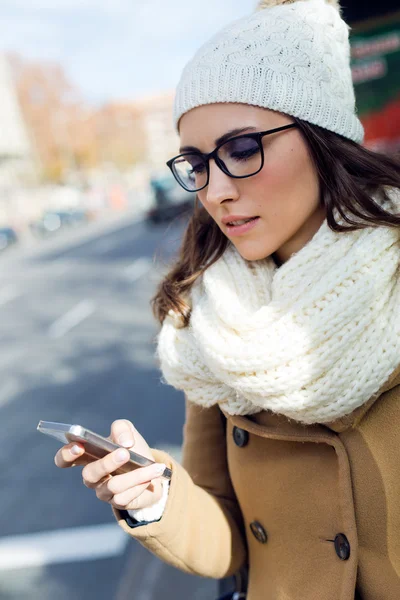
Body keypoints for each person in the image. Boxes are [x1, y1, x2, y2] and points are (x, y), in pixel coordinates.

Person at [55, 0, 400, 598]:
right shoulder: (206, 321)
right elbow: (230, 540)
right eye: (196, 163)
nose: (214, 191)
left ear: (324, 140)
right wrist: (157, 496)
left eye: (242, 149)